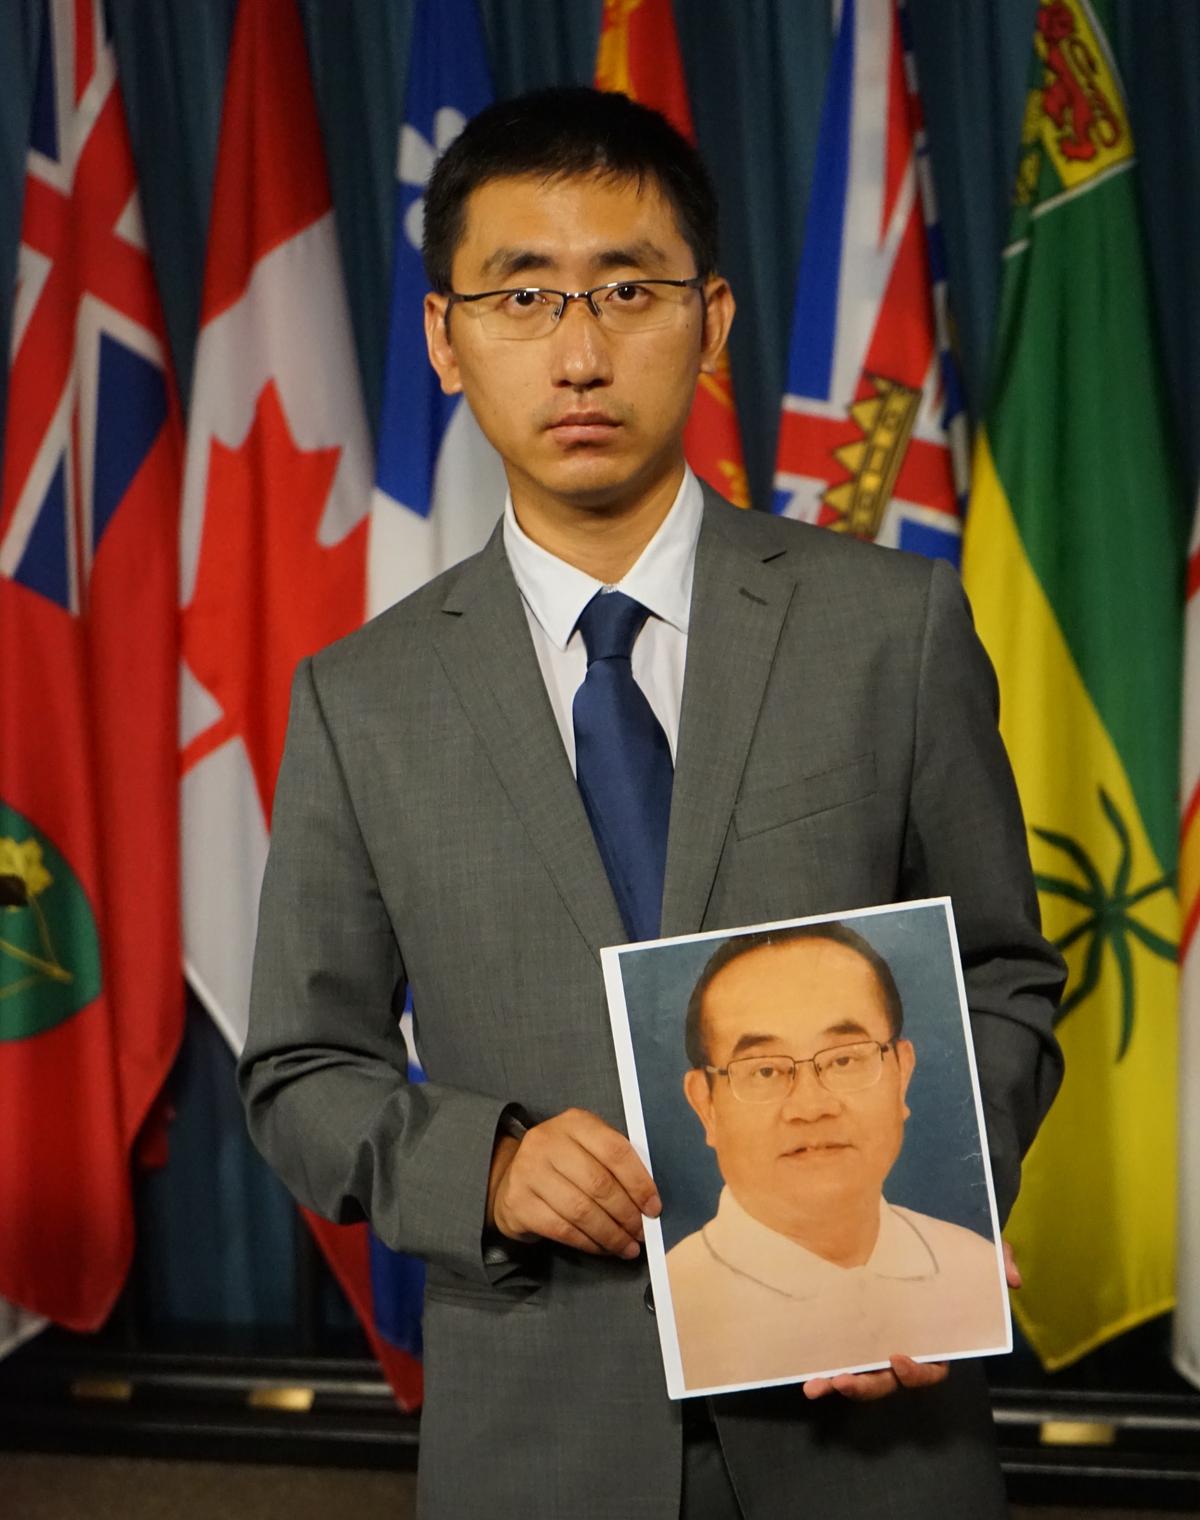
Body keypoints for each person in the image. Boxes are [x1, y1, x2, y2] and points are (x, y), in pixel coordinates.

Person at [239, 87, 1065, 1520]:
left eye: (629, 289)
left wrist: (918, 1222)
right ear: (443, 337)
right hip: (539, 1437)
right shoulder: (359, 698)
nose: (578, 350)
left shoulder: (892, 628)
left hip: (869, 1431)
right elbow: (304, 1071)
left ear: (716, 319)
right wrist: (482, 1165)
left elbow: (1002, 976)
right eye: (522, 295)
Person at [667, 923, 1009, 1392]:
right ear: (705, 1104)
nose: (811, 1107)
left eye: (845, 1059)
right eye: (764, 1070)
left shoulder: (972, 1269)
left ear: (902, 1074)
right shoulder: (674, 1303)